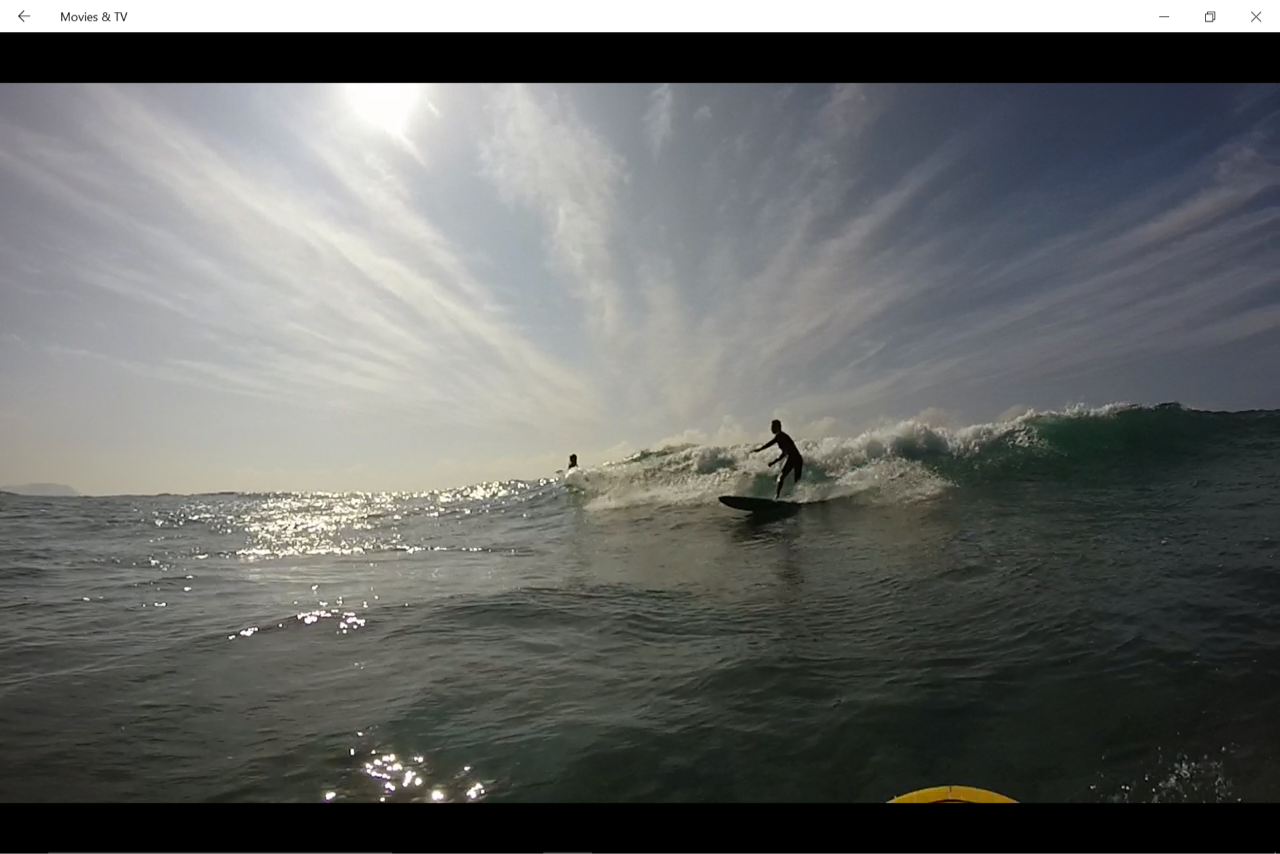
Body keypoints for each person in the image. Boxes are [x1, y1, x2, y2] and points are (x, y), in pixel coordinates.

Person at [752, 420, 802, 500]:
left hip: (795, 459)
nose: (771, 429)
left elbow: (771, 445)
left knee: (782, 477)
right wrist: (774, 461)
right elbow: (783, 452)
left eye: (772, 427)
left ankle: (777, 497)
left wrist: (760, 449)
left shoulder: (781, 436)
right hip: (797, 458)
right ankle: (797, 497)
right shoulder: (780, 437)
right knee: (794, 480)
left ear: (777, 427)